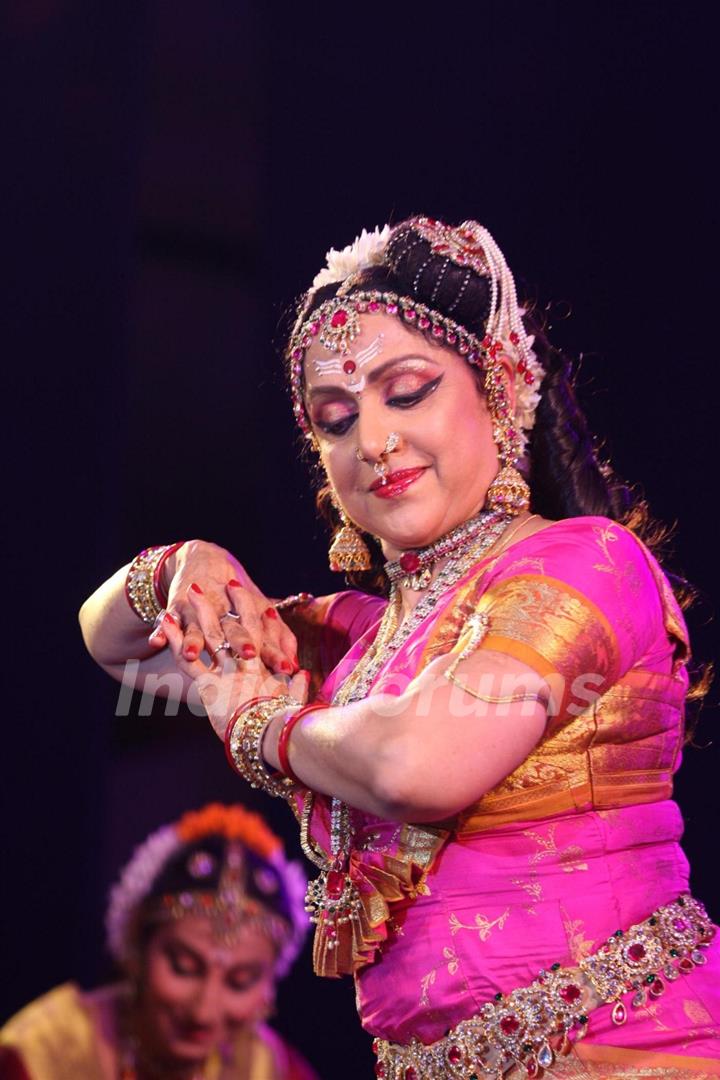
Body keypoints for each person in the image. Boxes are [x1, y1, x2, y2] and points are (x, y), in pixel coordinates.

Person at [78, 216, 720, 1078]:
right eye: (334, 419)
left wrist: (260, 725)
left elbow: (420, 762)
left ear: (497, 387)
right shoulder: (354, 641)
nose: (372, 442)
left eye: (407, 391)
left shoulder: (585, 561)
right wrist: (181, 568)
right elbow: (117, 648)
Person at [0, 803, 318, 1079]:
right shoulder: (42, 1055)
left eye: (240, 981)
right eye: (184, 967)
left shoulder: (269, 1069)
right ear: (137, 947)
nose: (203, 1012)